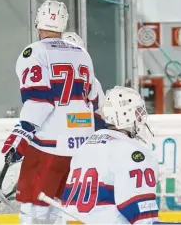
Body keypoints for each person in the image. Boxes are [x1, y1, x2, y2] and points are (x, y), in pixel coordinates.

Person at [1, 0, 101, 224]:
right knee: (58, 206)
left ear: (38, 21)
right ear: (63, 24)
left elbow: (40, 101)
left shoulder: (33, 52)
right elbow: (96, 101)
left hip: (49, 144)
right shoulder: (82, 53)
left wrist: (20, 137)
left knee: (32, 207)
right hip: (80, 146)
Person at [61, 86, 160, 224]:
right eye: (137, 112)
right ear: (126, 115)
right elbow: (142, 216)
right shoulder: (133, 153)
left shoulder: (85, 146)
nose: (140, 117)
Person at [62, 32, 106, 131]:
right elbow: (101, 115)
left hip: (56, 134)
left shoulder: (48, 75)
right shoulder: (92, 80)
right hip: (82, 132)